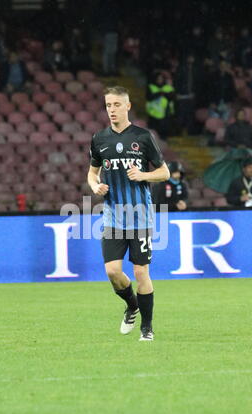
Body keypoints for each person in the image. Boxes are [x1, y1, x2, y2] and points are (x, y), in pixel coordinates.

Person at [87, 86, 170, 341]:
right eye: (108, 105)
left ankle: (147, 327)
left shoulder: (143, 137)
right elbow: (92, 172)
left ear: (128, 106)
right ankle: (132, 305)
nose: (111, 110)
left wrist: (144, 174)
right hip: (113, 217)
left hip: (141, 217)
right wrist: (95, 186)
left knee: (140, 272)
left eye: (116, 105)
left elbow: (164, 172)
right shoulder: (99, 139)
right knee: (112, 271)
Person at [146, 72, 176, 139]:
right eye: (158, 78)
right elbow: (149, 97)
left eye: (161, 79)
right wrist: (160, 93)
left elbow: (172, 97)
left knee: (164, 132)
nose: (160, 80)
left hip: (166, 113)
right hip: (153, 113)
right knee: (153, 132)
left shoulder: (168, 87)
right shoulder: (151, 87)